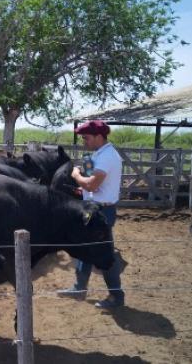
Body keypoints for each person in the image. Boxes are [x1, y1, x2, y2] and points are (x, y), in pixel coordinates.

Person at [57, 120, 125, 308]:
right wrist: (85, 193)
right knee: (85, 248)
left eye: (86, 137)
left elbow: (92, 184)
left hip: (101, 211)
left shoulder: (107, 157)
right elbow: (96, 188)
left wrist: (76, 175)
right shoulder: (102, 154)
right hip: (96, 207)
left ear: (98, 136)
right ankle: (80, 288)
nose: (84, 141)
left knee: (104, 253)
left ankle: (116, 296)